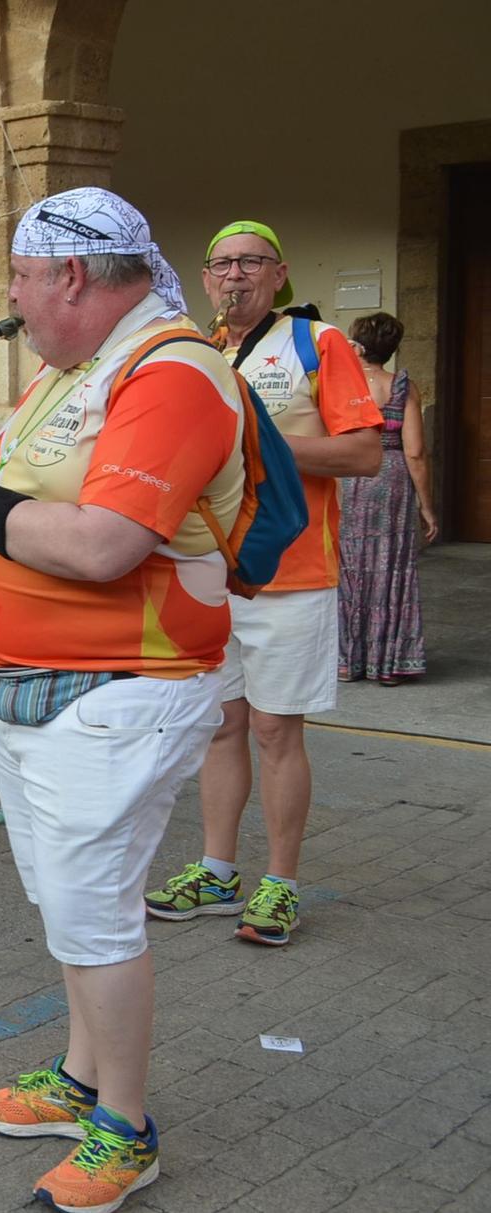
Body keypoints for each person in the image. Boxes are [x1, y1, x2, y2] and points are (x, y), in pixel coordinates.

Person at [0, 187, 245, 1213]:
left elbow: (103, 544)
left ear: (71, 278)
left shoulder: (171, 371)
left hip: (123, 687)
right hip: (41, 687)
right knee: (65, 905)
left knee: (94, 918)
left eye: (16, 276)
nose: (7, 298)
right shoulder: (73, 373)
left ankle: (124, 1129)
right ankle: (79, 1075)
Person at [144, 221, 381, 947]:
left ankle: (280, 881)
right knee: (221, 727)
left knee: (278, 731)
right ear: (207, 280)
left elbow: (365, 452)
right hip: (211, 573)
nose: (234, 276)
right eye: (220, 265)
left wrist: (260, 442)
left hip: (293, 572)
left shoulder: (318, 343)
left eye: (249, 263)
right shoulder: (200, 348)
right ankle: (218, 871)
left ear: (279, 275)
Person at [337, 312, 436, 684]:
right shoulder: (403, 387)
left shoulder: (340, 384)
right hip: (392, 478)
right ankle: (389, 664)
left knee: (349, 566)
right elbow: (415, 452)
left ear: (358, 345)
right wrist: (427, 508)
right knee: (390, 568)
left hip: (349, 476)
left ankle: (349, 661)